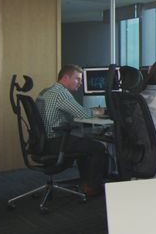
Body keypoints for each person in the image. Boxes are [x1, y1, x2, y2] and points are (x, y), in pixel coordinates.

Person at [36, 64, 108, 196]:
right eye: (77, 79)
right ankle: (92, 187)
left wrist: (90, 111)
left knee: (84, 141)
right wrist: (100, 111)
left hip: (43, 141)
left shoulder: (46, 91)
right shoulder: (61, 93)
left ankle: (85, 182)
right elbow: (82, 114)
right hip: (55, 142)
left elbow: (77, 112)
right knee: (98, 147)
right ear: (65, 78)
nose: (80, 83)